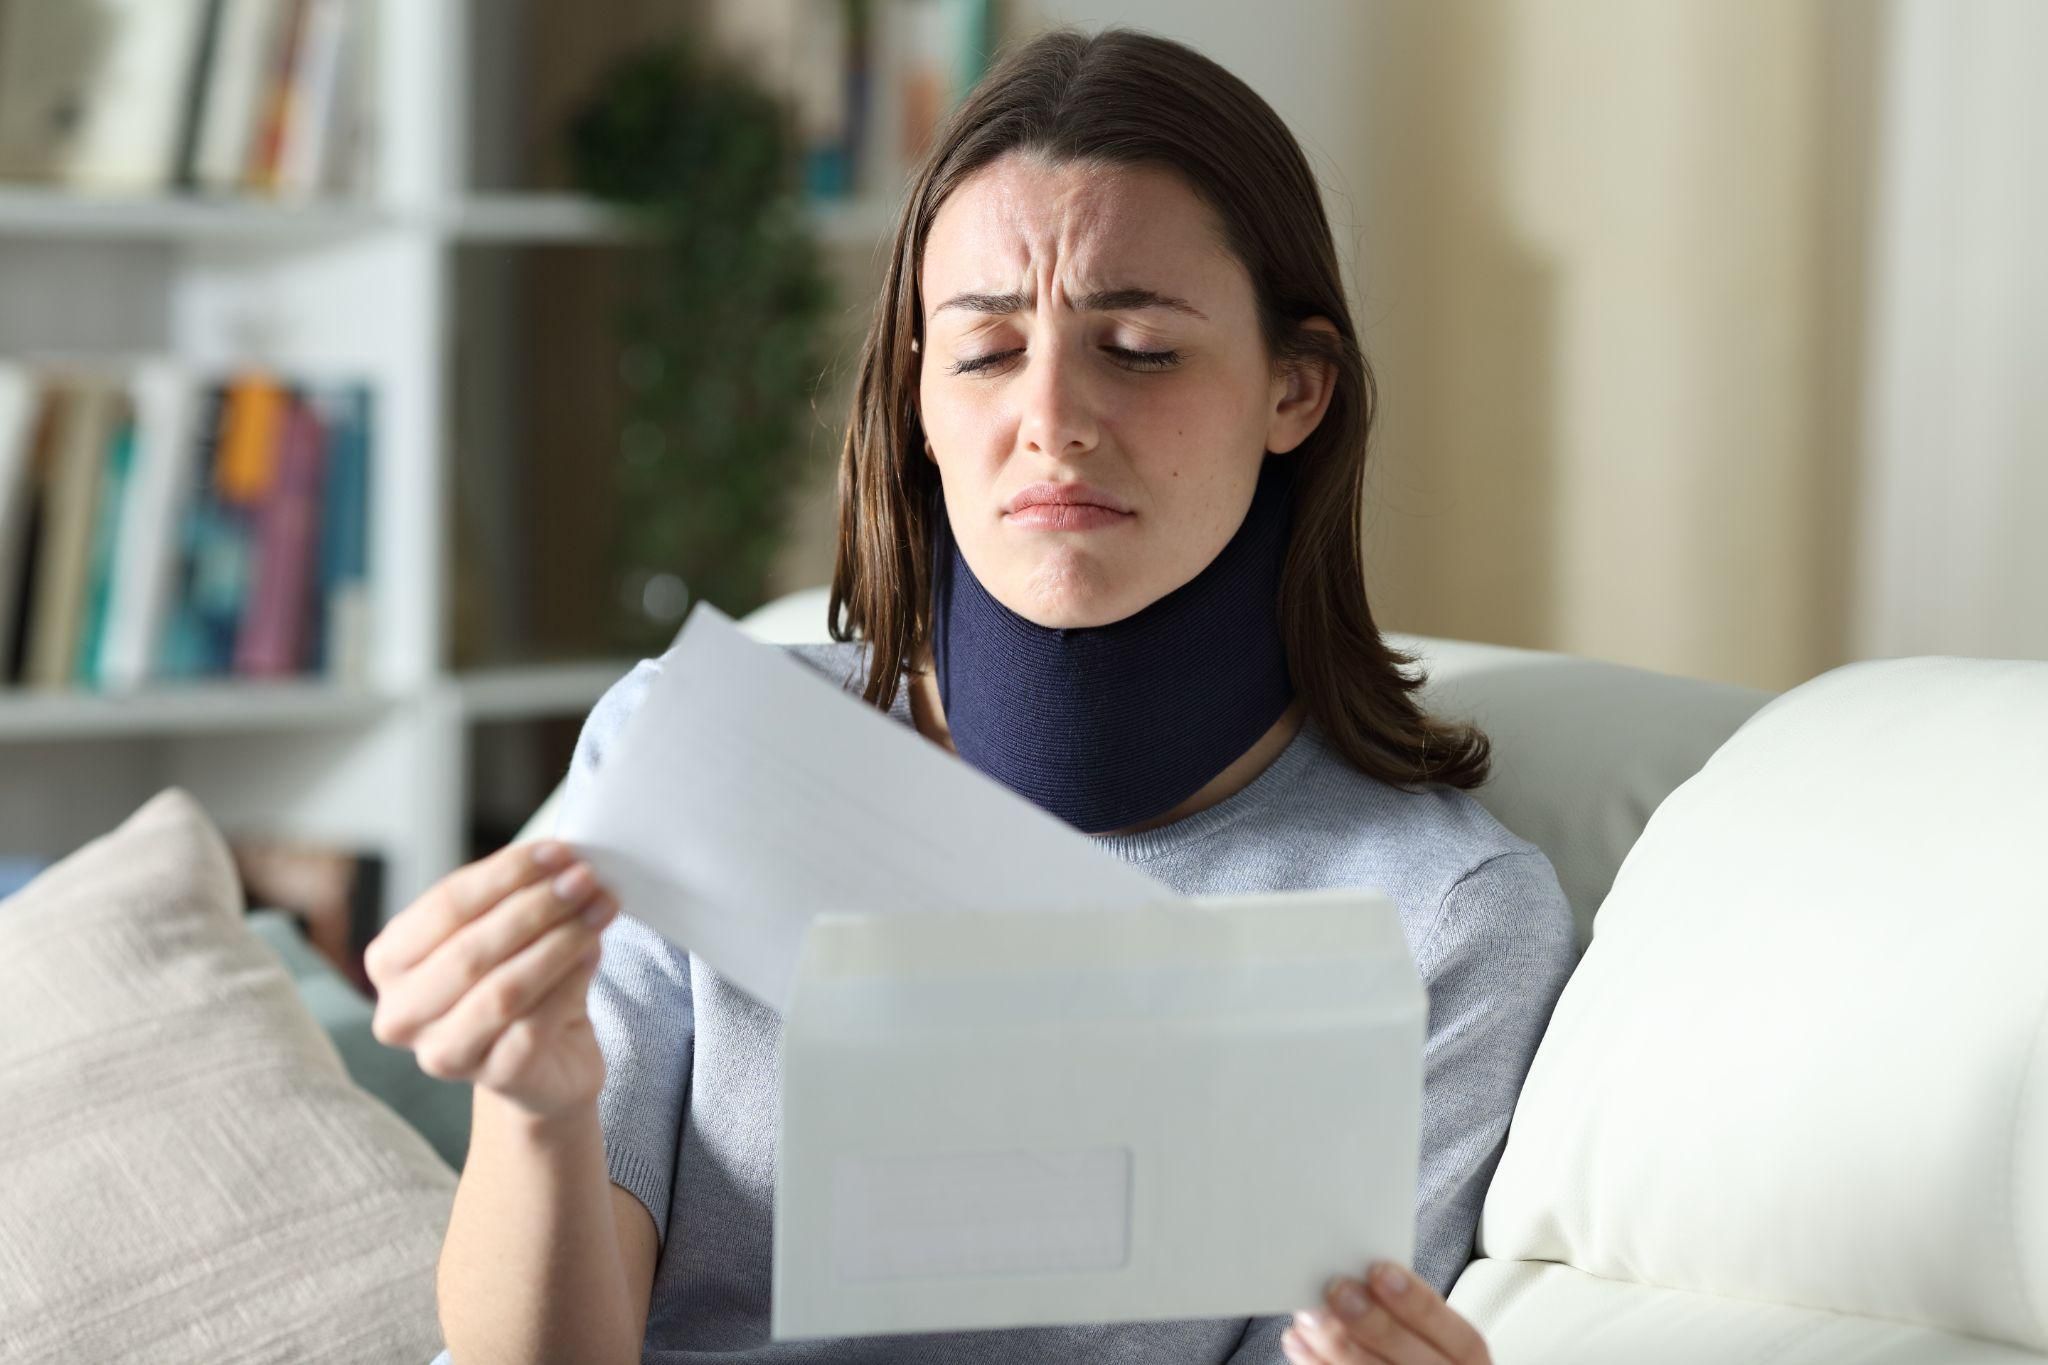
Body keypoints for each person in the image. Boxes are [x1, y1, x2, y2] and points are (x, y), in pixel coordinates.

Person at [376, 24, 1578, 1365]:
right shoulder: (706, 753)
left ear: (1294, 389)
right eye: (988, 349)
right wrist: (534, 1107)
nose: (1051, 416)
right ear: (918, 396)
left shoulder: (1440, 920)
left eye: (1138, 344)